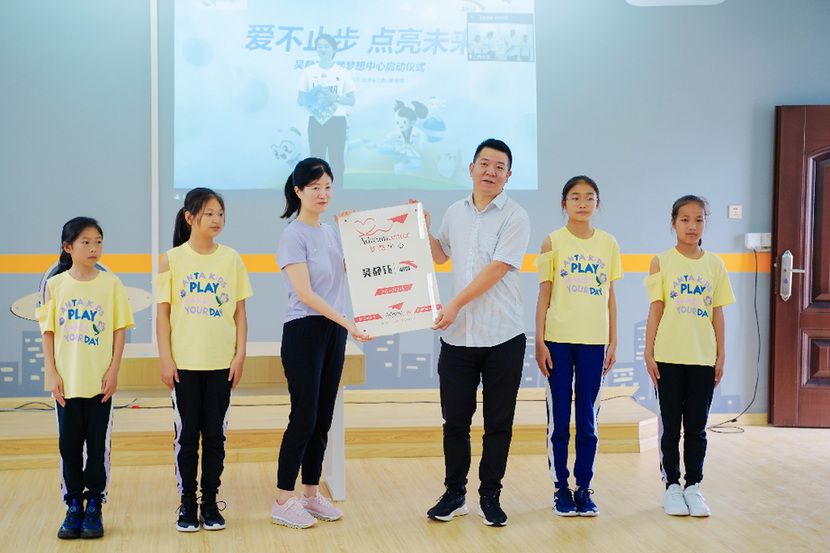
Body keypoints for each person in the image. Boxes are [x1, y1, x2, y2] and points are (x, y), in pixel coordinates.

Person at [420, 138, 530, 527]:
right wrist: (422, 231)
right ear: (471, 168)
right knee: (455, 423)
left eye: (499, 167)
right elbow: (440, 255)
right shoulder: (455, 212)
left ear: (508, 175)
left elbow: (497, 269)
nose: (490, 172)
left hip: (503, 336)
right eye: (484, 164)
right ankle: (455, 494)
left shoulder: (516, 216)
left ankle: (490, 495)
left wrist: (454, 304)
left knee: (498, 424)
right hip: (458, 338)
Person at [270, 157, 372, 529]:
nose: (322, 193)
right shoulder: (292, 236)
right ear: (298, 191)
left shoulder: (332, 232)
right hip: (304, 330)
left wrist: (357, 232)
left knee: (323, 416)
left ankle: (311, 494)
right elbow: (306, 294)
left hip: (333, 331)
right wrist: (348, 322)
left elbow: (357, 270)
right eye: (314, 187)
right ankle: (283, 499)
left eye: (327, 186)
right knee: (305, 416)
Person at [155, 188, 252, 532]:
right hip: (184, 366)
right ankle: (187, 504)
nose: (216, 219)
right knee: (186, 438)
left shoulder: (232, 259)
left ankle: (210, 502)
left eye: (220, 213)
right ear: (189, 217)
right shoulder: (171, 259)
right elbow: (162, 314)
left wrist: (240, 355)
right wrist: (165, 359)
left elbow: (240, 313)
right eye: (208, 213)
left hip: (221, 364)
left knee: (214, 437)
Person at [37, 217, 135, 540]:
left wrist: (114, 370)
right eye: (86, 242)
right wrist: (52, 372)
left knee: (96, 447)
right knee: (69, 447)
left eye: (98, 242)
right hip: (66, 384)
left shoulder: (111, 284)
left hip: (99, 385)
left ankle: (94, 504)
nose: (94, 248)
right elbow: (48, 332)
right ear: (68, 247)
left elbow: (119, 329)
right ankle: (73, 506)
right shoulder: (55, 285)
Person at [534, 176, 622, 517]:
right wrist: (539, 340)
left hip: (594, 342)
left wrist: (613, 340)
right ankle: (561, 488)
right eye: (575, 197)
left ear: (598, 204)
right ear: (564, 204)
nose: (582, 203)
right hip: (557, 340)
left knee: (587, 419)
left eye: (589, 197)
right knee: (559, 419)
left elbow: (610, 296)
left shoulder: (608, 243)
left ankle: (584, 487)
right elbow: (544, 295)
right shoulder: (552, 241)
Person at [644, 195, 734, 517]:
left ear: (705, 223)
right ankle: (671, 486)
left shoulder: (715, 265)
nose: (692, 226)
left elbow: (717, 313)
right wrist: (648, 352)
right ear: (673, 223)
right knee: (670, 427)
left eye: (699, 219)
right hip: (668, 357)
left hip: (702, 358)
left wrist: (721, 355)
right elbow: (656, 309)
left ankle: (693, 486)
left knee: (696, 428)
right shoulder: (661, 262)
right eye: (685, 219)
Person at [297, 33, 356, 188]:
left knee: (337, 158)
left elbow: (352, 100)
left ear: (333, 49)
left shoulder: (342, 72)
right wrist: (314, 98)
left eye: (326, 46)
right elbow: (299, 100)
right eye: (320, 46)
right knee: (316, 159)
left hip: (337, 120)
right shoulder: (309, 71)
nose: (323, 49)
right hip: (316, 120)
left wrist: (336, 98)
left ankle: (338, 191)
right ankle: (316, 190)